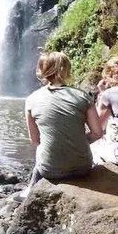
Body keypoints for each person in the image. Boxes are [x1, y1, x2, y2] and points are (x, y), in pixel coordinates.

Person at [25, 51, 103, 186]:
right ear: (67, 70)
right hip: (83, 168)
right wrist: (76, 141)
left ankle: (29, 191)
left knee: (41, 151)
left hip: (50, 170)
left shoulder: (31, 99)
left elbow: (35, 140)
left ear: (42, 71)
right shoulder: (83, 96)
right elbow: (97, 133)